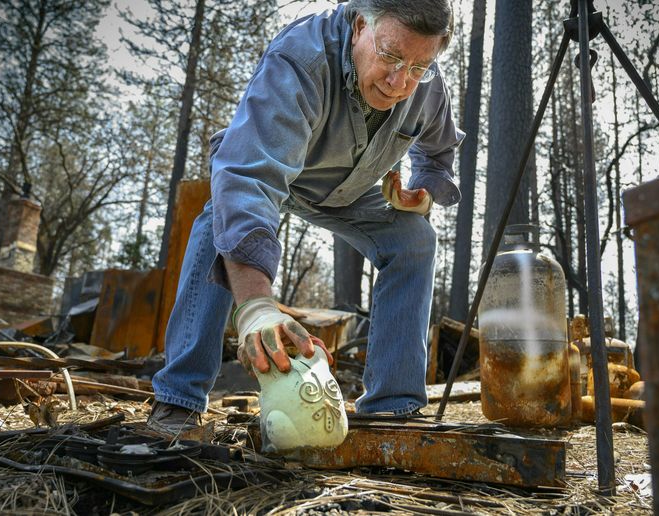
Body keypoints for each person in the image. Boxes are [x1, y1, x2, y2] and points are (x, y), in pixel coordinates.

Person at [148, 0, 463, 435]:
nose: (399, 82)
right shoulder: (300, 59)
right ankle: (178, 399)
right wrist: (256, 309)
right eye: (389, 56)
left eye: (417, 67)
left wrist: (422, 194)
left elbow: (438, 151)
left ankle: (393, 409)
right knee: (217, 223)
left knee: (415, 240)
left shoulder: (425, 80)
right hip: (277, 174)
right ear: (359, 28)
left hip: (350, 192)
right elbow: (250, 182)